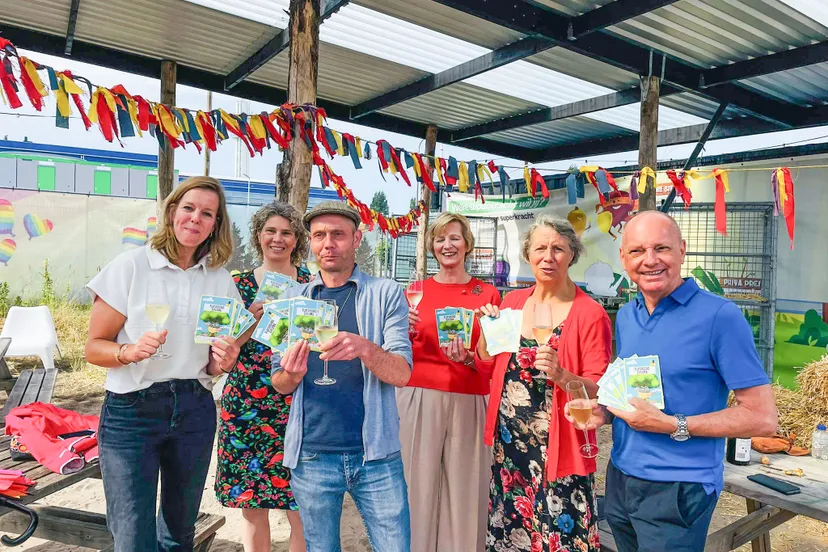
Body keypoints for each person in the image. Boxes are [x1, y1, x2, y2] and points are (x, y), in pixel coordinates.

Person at [566, 210, 777, 552]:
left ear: (682, 250)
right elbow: (637, 389)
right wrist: (604, 411)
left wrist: (671, 425)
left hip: (679, 488)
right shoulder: (629, 315)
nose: (650, 261)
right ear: (623, 258)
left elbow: (763, 418)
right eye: (637, 251)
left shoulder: (720, 316)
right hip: (620, 476)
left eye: (661, 248)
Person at [85, 176, 241, 552]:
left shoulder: (220, 281)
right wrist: (128, 352)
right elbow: (93, 348)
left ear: (216, 225)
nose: (196, 219)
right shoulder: (132, 266)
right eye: (188, 208)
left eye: (208, 213)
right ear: (172, 212)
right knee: (133, 536)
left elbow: (213, 363)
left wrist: (226, 361)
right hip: (131, 410)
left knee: (178, 534)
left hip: (194, 409)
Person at [271, 201, 412, 551]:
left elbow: (402, 374)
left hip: (376, 454)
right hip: (312, 454)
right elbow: (279, 383)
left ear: (357, 239)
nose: (328, 244)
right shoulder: (293, 299)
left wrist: (366, 348)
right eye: (319, 235)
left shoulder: (386, 293)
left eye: (338, 235)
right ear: (310, 241)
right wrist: (291, 374)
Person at [476, 215, 611, 552]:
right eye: (540, 248)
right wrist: (484, 329)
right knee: (512, 533)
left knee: (560, 537)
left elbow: (599, 388)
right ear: (528, 254)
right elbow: (486, 363)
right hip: (510, 449)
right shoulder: (512, 304)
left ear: (572, 255)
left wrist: (563, 375)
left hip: (561, 449)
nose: (548, 257)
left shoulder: (589, 312)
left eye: (558, 249)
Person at [400, 212, 502, 552]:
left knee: (465, 489)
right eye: (440, 239)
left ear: (467, 244)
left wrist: (470, 357)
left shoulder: (487, 294)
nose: (447, 245)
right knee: (417, 485)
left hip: (469, 397)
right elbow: (400, 352)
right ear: (431, 246)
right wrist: (405, 328)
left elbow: (492, 364)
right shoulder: (414, 292)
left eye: (454, 237)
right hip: (418, 396)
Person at [215, 201, 311, 552]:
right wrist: (247, 325)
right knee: (252, 506)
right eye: (270, 231)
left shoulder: (311, 285)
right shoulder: (235, 285)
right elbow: (219, 357)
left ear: (297, 239)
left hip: (297, 403)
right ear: (258, 236)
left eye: (287, 232)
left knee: (300, 507)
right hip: (244, 405)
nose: (278, 238)